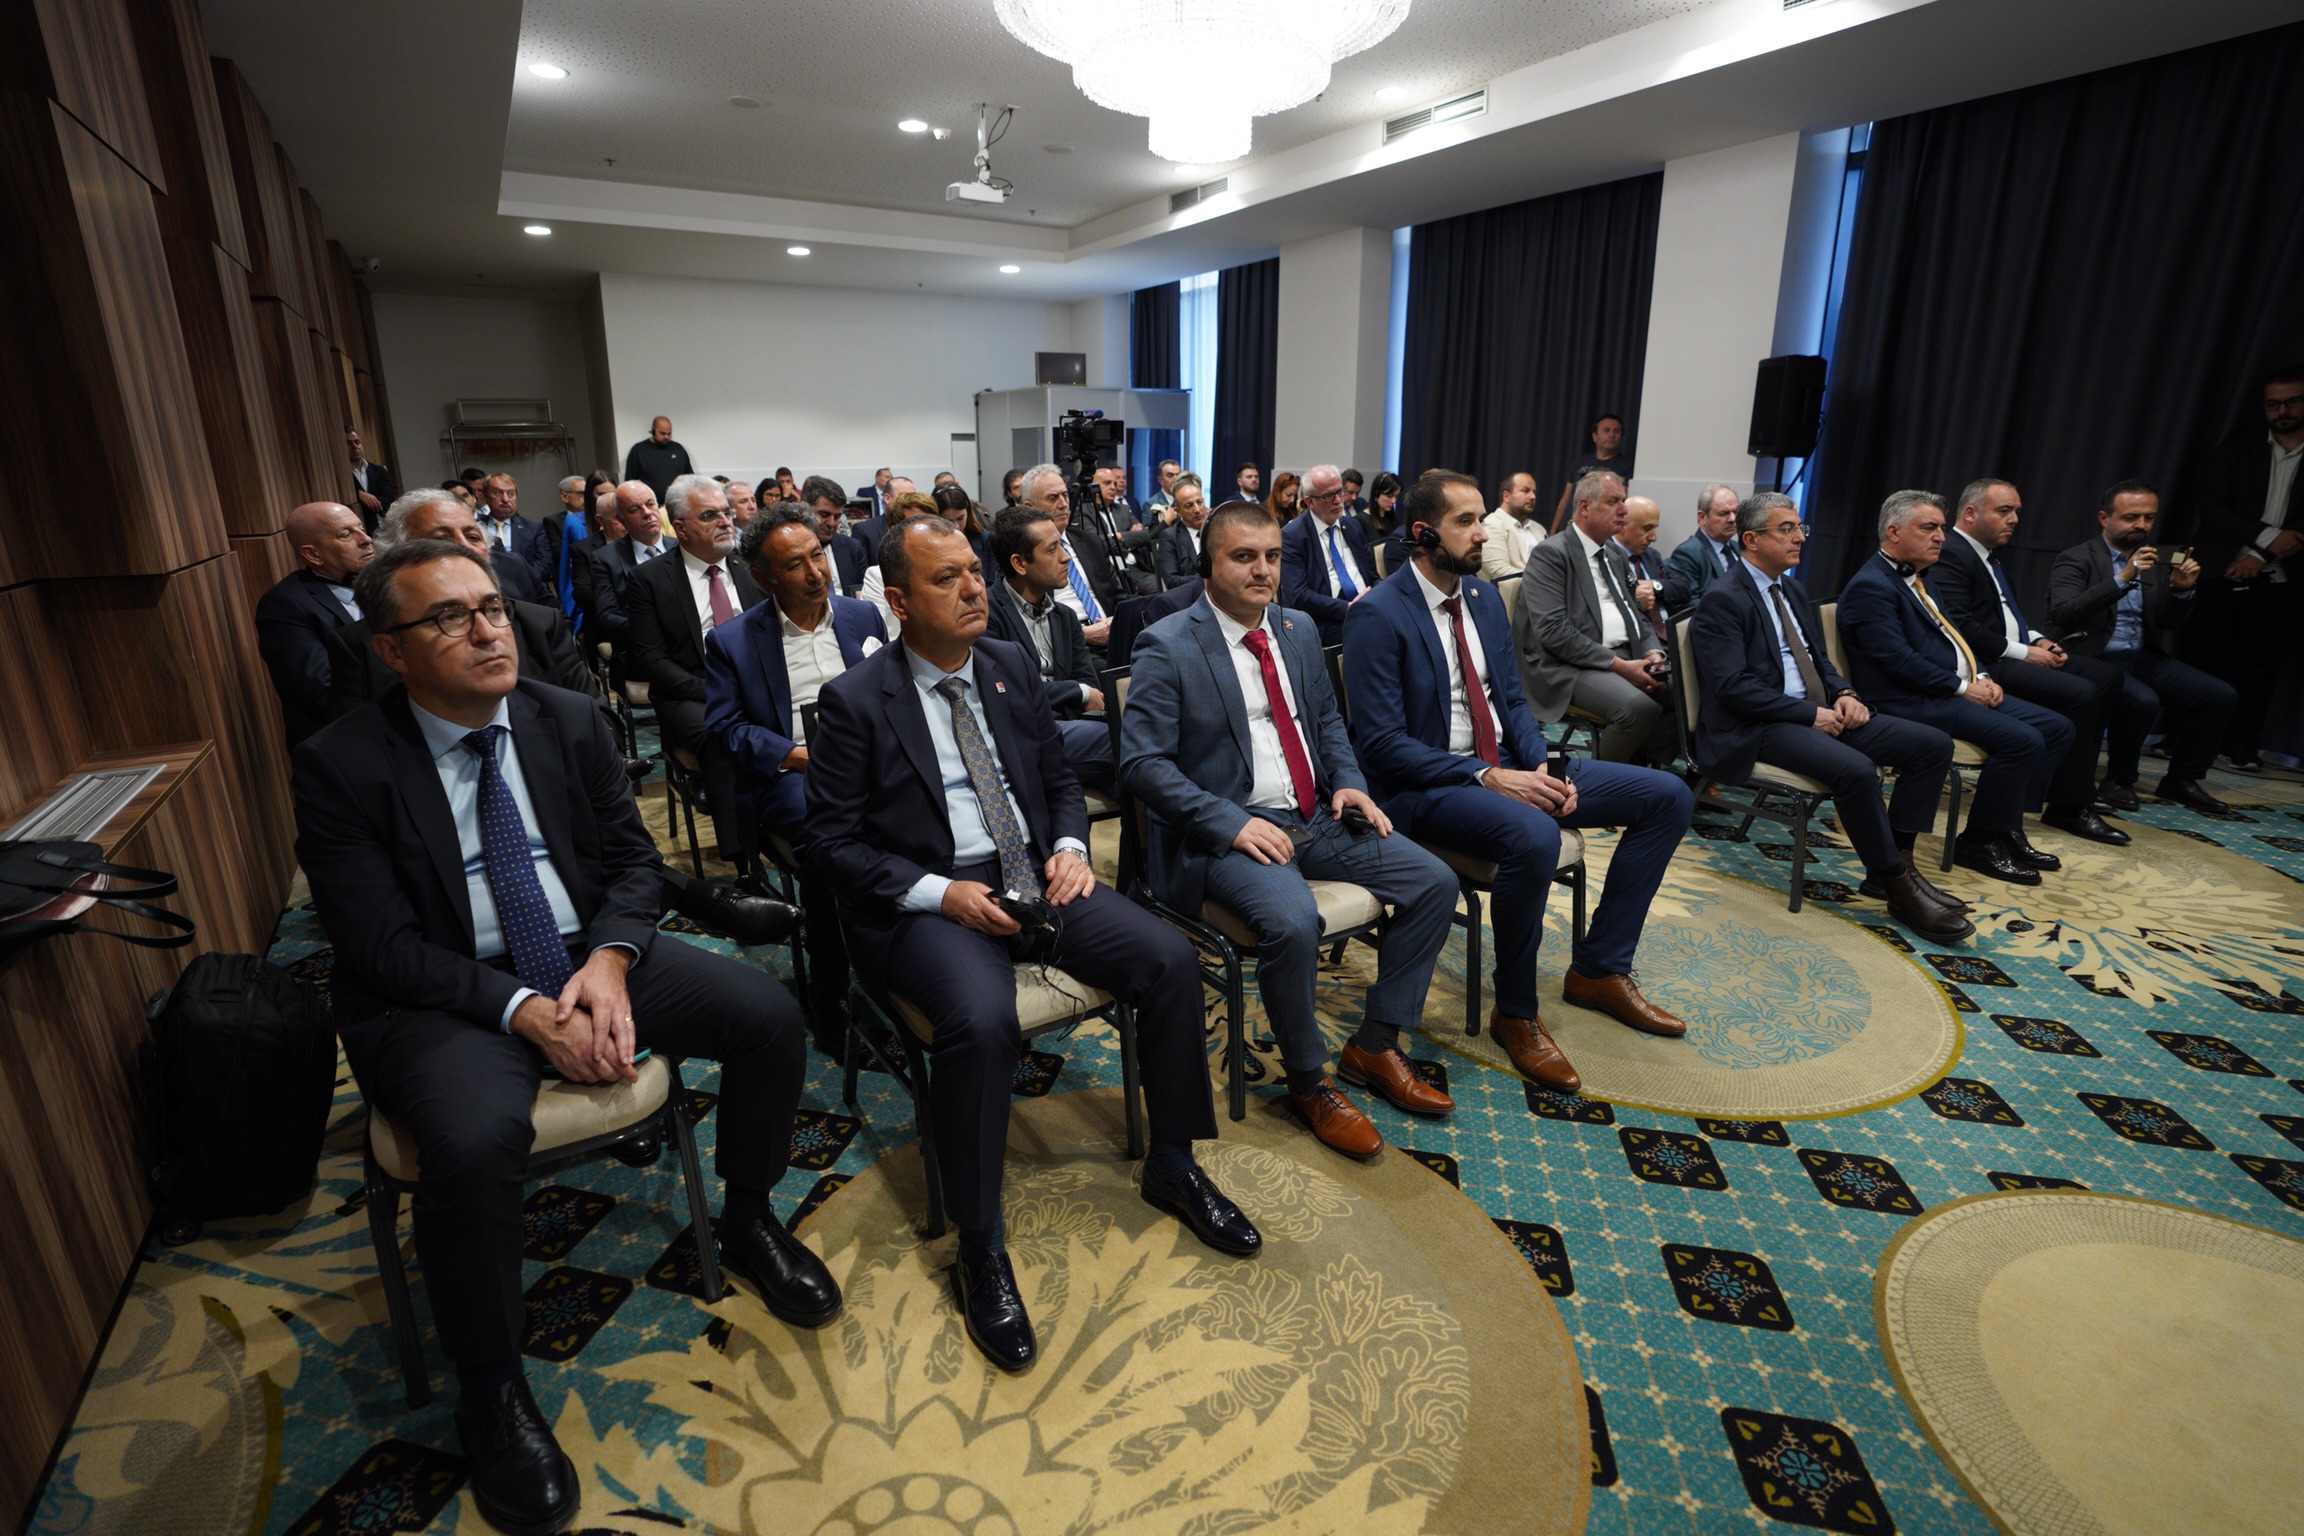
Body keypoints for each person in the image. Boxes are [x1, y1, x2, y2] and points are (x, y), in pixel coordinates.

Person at [293, 537, 832, 1536]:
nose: (486, 630)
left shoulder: (568, 717)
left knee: (766, 1016)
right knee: (470, 1141)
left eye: (491, 607)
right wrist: (524, 1012)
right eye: (448, 617)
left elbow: (632, 864)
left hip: (588, 950)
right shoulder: (343, 763)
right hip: (443, 991)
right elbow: (378, 946)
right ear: (390, 651)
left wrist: (611, 963)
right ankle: (492, 1386)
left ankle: (750, 1216)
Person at [809, 516, 1257, 1371]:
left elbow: (1057, 781)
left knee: (1168, 961)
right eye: (946, 579)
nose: (972, 589)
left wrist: (1072, 847)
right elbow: (831, 846)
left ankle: (1172, 1162)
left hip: (1035, 873)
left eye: (974, 573)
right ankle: (980, 1243)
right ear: (897, 600)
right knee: (982, 1023)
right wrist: (944, 893)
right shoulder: (857, 700)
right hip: (928, 899)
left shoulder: (1009, 666)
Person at [1121, 503, 1459, 1158]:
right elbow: (1142, 765)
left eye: (1273, 556)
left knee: (1434, 882)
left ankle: (1375, 1043)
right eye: (1243, 557)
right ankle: (1308, 1079)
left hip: (1315, 814)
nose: (1263, 570)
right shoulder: (1168, 643)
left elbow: (1327, 723)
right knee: (1295, 920)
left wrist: (1350, 782)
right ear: (1209, 563)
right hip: (1229, 831)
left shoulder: (1298, 628)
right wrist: (1231, 822)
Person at [1345, 472, 1695, 1096]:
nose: (1481, 533)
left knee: (1667, 796)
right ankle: (1516, 1011)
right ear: (1424, 533)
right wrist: (1487, 775)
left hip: (1504, 765)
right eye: (1465, 522)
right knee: (1535, 834)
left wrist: (1539, 768)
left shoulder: (1482, 598)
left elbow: (1512, 700)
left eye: (1482, 519)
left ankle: (1599, 969)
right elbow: (1382, 746)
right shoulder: (1378, 612)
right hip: (1426, 784)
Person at [325, 491, 800, 948]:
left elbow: (594, 712)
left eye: (472, 535)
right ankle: (697, 894)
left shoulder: (535, 624)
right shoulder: (362, 647)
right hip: (440, 824)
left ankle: (694, 885)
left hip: (562, 783)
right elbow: (360, 763)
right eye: (441, 538)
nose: (464, 549)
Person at [1688, 493, 1971, 943]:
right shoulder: (1723, 599)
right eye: (1786, 529)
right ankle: (1897, 883)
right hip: (1757, 726)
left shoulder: (1791, 590)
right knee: (1857, 771)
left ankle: (1896, 865)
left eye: (1800, 528)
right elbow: (1733, 688)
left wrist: (1845, 693)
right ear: (1752, 539)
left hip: (1814, 714)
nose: (1800, 537)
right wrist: (1810, 714)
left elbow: (1820, 661)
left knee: (1931, 745)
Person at [704, 505, 889, 1050]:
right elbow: (725, 730)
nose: (815, 574)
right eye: (794, 565)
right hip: (794, 774)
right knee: (828, 843)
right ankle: (831, 991)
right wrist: (796, 754)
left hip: (873, 760)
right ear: (764, 578)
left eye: (818, 556)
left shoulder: (862, 616)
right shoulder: (733, 641)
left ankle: (918, 961)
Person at [1837, 491, 2074, 885]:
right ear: (1894, 532)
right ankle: (1980, 841)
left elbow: (1956, 637)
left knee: (2057, 727)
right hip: (1907, 699)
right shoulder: (1871, 586)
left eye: (1942, 528)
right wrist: (1962, 688)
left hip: (1949, 688)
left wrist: (1982, 676)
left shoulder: (1921, 576)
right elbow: (1898, 661)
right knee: (2023, 740)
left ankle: (2004, 826)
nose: (1941, 537)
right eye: (1929, 528)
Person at [1933, 479, 2129, 845]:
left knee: (2107, 678)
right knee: (2081, 693)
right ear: (1971, 513)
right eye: (2004, 511)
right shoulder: (1953, 553)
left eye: (2017, 511)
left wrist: (2037, 639)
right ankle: (2069, 804)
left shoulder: (1988, 553)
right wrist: (2026, 652)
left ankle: (2072, 787)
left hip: (2012, 650)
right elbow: (1961, 626)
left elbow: (2008, 615)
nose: (2014, 520)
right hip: (1985, 662)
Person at [2046, 481, 2233, 814]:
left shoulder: (2153, 559)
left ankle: (2182, 779)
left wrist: (2181, 591)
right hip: (2091, 655)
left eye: (2149, 518)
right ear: (2104, 518)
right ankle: (2119, 780)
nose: (2141, 526)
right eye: (2131, 517)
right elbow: (2065, 613)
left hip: (2139, 655)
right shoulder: (2076, 558)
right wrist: (2121, 579)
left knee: (2218, 695)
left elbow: (2169, 623)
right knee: (2142, 700)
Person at [625, 474, 767, 856]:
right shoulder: (649, 579)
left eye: (726, 512)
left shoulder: (750, 567)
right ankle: (743, 857)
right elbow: (652, 659)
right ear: (681, 528)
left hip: (758, 682)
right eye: (710, 515)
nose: (725, 521)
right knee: (720, 737)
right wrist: (716, 692)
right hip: (690, 692)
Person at [1512, 471, 1676, 765]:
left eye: (1623, 501)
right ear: (1585, 506)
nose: (1624, 510)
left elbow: (1637, 615)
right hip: (1567, 666)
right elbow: (1554, 632)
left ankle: (1640, 766)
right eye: (1613, 502)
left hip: (1625, 655)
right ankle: (1596, 781)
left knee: (1685, 693)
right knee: (1638, 709)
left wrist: (1653, 653)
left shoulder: (1614, 554)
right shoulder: (1551, 554)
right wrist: (1621, 667)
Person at [2188, 364, 2304, 771]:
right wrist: (2268, 538)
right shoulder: (2238, 449)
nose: (2282, 411)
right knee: (2201, 659)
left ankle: (2241, 745)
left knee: (2260, 668)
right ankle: (2186, 738)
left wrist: (2264, 557)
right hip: (2223, 569)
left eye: (2292, 402)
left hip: (2283, 578)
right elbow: (2213, 507)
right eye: (2273, 404)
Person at [984, 506, 1115, 786]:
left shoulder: (1064, 616)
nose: (1065, 556)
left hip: (1072, 727)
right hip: (1023, 735)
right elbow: (1009, 693)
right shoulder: (987, 614)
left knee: (1135, 764)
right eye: (1052, 549)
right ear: (1020, 563)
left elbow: (1090, 682)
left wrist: (1078, 692)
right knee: (1125, 743)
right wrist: (1076, 692)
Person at [256, 501, 375, 748]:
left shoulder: (391, 581)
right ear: (313, 555)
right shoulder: (284, 605)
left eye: (361, 528)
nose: (366, 539)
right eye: (346, 535)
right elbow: (323, 690)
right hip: (344, 745)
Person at [1279, 463, 1380, 646]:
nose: (1338, 500)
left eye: (1340, 491)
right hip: (1326, 619)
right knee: (1373, 634)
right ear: (1309, 502)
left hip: (1366, 608)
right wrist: (1347, 608)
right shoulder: (1293, 536)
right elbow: (1299, 596)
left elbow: (1372, 577)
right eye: (1328, 496)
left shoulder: (1352, 526)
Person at [1018, 464, 1119, 644]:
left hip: (1111, 632)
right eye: (1052, 498)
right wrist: (1082, 634)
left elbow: (1117, 595)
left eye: (1065, 495)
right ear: (1029, 507)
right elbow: (1025, 618)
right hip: (1066, 642)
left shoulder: (1089, 542)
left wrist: (1118, 621)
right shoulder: (1023, 553)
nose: (1063, 504)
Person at [577, 482, 671, 647]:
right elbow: (607, 617)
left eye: (650, 504)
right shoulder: (605, 558)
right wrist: (652, 630)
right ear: (622, 520)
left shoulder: (681, 547)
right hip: (639, 646)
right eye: (635, 509)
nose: (647, 513)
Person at [1614, 495, 1689, 634]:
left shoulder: (1651, 556)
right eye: (1647, 528)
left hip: (1669, 632)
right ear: (1622, 526)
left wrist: (1653, 585)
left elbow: (1683, 588)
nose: (1654, 537)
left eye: (1655, 528)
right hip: (1638, 636)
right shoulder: (1607, 557)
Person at [1549, 412, 1633, 533]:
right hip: (1569, 527)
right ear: (1594, 436)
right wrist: (1553, 531)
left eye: (1617, 431)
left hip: (1600, 530)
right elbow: (1565, 499)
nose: (1611, 435)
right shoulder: (1580, 461)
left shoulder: (1627, 465)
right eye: (1606, 430)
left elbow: (1620, 501)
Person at [1667, 484, 1744, 604]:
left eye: (1736, 512)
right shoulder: (1688, 553)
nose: (1732, 519)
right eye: (1723, 513)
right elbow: (1688, 603)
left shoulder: (1740, 548)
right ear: (1702, 517)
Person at [476, 474, 550, 584]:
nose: (505, 499)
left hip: (526, 587)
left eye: (511, 494)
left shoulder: (534, 528)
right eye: (498, 493)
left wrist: (518, 582)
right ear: (486, 496)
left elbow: (544, 565)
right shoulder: (476, 527)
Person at [1480, 470, 1544, 582]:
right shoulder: (1491, 525)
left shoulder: (1539, 529)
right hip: (1508, 592)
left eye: (1534, 492)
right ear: (1506, 496)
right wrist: (1545, 581)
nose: (1533, 496)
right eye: (1525, 491)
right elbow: (1500, 572)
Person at [1154, 476, 1210, 587]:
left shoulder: (1216, 529)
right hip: (1191, 594)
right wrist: (1209, 578)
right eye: (1189, 506)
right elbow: (1172, 581)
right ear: (1178, 511)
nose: (1197, 509)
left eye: (1199, 502)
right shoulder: (1170, 537)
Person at [623, 416, 694, 504]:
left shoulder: (678, 449)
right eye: (662, 433)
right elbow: (630, 481)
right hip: (650, 504)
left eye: (669, 434)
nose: (666, 437)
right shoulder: (639, 450)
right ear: (653, 431)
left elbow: (689, 477)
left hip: (677, 503)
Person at [345, 428, 397, 533]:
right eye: (348, 443)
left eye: (357, 442)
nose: (354, 446)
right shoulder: (342, 474)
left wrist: (371, 500)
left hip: (381, 526)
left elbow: (389, 498)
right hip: (356, 528)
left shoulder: (379, 470)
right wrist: (358, 494)